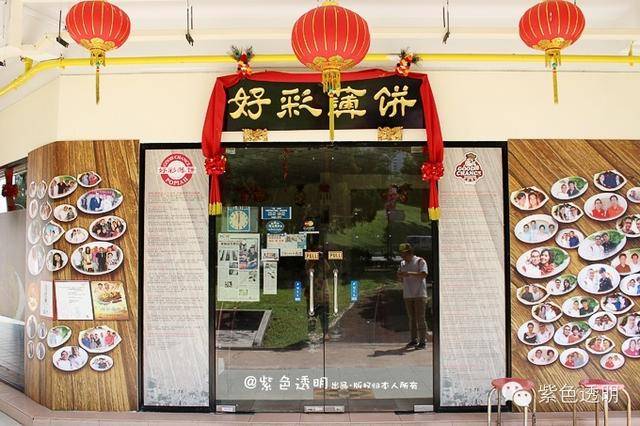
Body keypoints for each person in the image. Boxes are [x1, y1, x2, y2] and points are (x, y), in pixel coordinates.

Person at [397, 243, 429, 349]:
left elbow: (424, 274)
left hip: (419, 294)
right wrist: (400, 276)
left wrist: (409, 273)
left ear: (409, 253)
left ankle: (423, 341)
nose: (402, 256)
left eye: (403, 254)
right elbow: (400, 278)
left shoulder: (420, 261)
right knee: (412, 318)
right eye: (401, 254)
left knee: (420, 318)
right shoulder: (402, 263)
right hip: (408, 294)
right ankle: (413, 339)